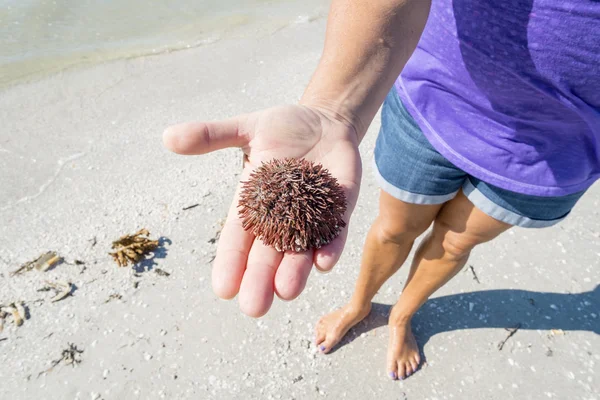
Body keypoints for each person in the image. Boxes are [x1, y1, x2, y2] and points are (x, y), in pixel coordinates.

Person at [163, 0, 600, 381]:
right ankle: (359, 305)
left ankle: (401, 317)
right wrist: (331, 107)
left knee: (456, 243)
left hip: (563, 151)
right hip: (435, 98)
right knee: (393, 229)